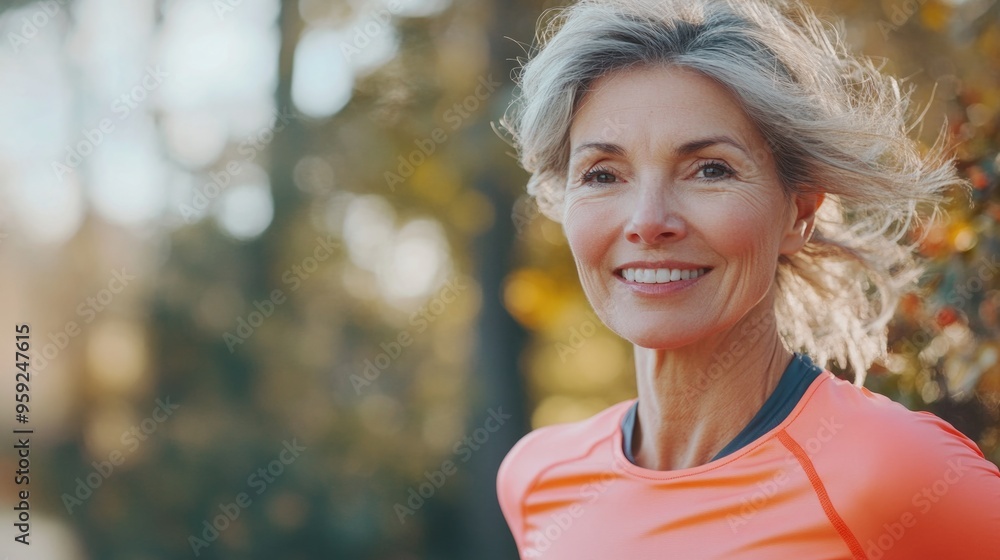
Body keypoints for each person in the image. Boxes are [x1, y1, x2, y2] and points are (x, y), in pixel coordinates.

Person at [494, 0, 1000, 558]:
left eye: (710, 169)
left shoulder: (894, 471)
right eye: (603, 174)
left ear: (799, 212)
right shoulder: (539, 478)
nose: (647, 222)